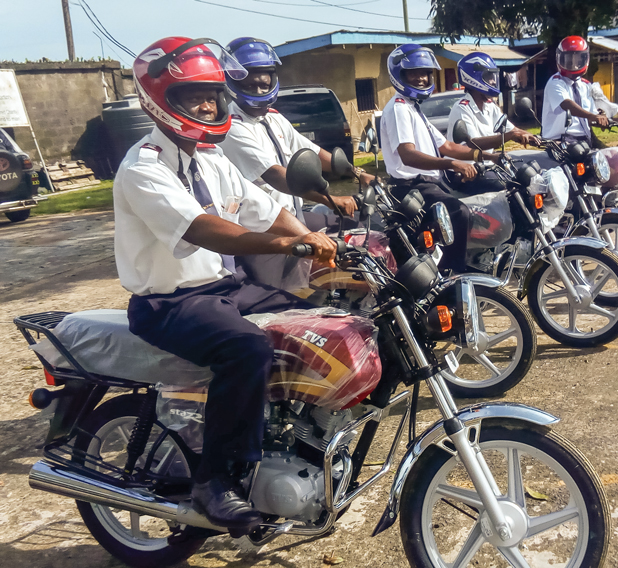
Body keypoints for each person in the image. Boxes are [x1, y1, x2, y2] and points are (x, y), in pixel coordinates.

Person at [115, 37, 337, 529]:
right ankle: (215, 481)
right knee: (247, 348)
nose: (209, 105)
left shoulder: (211, 158)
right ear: (159, 98)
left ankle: (291, 436)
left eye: (213, 94)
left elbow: (265, 209)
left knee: (314, 321)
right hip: (169, 303)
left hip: (222, 288)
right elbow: (201, 227)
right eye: (194, 95)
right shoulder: (142, 166)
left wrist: (312, 239)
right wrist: (283, 247)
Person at [218, 37, 372, 288]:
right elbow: (278, 177)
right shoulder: (234, 128)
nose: (259, 88)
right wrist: (331, 199)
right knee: (300, 300)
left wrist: (358, 173)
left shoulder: (274, 119)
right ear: (233, 81)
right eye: (250, 82)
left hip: (294, 218)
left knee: (359, 236)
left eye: (263, 80)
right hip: (265, 233)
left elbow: (311, 151)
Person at [381, 43, 499, 272]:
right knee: (457, 212)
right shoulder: (398, 108)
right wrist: (452, 164)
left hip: (428, 185)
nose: (422, 78)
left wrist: (487, 157)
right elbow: (408, 154)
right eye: (414, 72)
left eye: (426, 73)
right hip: (410, 187)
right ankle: (452, 274)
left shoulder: (413, 108)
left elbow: (447, 145)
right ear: (400, 74)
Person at [446, 52, 539, 150]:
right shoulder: (461, 108)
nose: (494, 81)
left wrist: (530, 136)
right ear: (474, 78)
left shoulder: (490, 106)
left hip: (487, 162)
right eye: (489, 77)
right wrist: (510, 135)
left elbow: (511, 129)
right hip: (465, 164)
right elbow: (474, 143)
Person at [541, 36, 609, 144]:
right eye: (568, 59)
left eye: (578, 59)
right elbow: (567, 104)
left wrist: (602, 118)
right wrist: (592, 116)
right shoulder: (555, 82)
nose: (573, 64)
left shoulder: (585, 86)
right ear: (559, 59)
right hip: (559, 141)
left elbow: (590, 116)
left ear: (585, 59)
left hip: (584, 140)